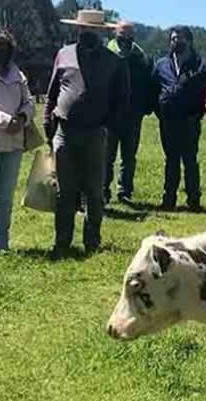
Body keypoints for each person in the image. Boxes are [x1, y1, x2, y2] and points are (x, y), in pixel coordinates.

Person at [44, 10, 130, 258]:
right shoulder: (63, 54)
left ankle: (92, 242)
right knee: (64, 192)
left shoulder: (114, 61)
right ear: (77, 30)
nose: (87, 34)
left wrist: (109, 126)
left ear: (102, 32)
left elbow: (122, 99)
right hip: (64, 132)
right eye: (84, 30)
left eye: (93, 31)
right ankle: (62, 243)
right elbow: (51, 95)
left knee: (94, 192)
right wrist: (48, 123)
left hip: (95, 133)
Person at [0, 24, 35, 252]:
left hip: (13, 145)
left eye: (3, 45)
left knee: (5, 197)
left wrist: (22, 118)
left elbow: (29, 102)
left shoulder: (17, 73)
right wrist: (5, 121)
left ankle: (1, 245)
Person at [152, 25, 206, 212]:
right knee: (171, 160)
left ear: (189, 41)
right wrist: (160, 111)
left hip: (190, 121)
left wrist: (197, 114)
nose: (176, 42)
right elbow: (152, 89)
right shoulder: (161, 64)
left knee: (190, 161)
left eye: (180, 38)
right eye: (173, 39)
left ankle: (193, 201)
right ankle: (168, 199)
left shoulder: (201, 64)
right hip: (167, 122)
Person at [103, 21, 153, 204]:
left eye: (129, 35)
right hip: (110, 116)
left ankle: (125, 192)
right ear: (115, 33)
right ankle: (103, 190)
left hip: (133, 115)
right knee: (106, 157)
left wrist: (144, 108)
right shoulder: (106, 55)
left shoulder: (141, 58)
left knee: (129, 157)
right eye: (122, 34)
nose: (125, 39)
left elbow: (148, 84)